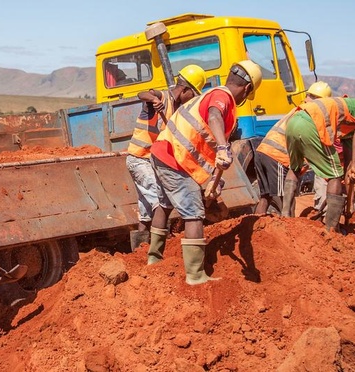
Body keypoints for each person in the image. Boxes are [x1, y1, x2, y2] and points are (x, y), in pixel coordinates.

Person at [147, 60, 263, 285]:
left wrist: (213, 181)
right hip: (175, 159)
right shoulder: (223, 97)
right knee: (194, 213)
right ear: (247, 89)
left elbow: (201, 144)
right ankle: (196, 275)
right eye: (246, 96)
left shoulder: (207, 95)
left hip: (163, 152)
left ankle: (154, 259)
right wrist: (222, 146)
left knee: (164, 204)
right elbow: (214, 116)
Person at [281, 93, 355, 232]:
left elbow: (349, 162)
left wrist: (351, 172)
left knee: (295, 168)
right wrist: (354, 166)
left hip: (294, 122)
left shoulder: (349, 126)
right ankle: (332, 229)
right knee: (334, 175)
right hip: (312, 124)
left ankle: (285, 218)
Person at [127, 65, 207, 250]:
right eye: (193, 94)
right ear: (186, 89)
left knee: (147, 210)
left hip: (154, 161)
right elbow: (142, 94)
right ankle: (163, 248)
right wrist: (154, 99)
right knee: (159, 202)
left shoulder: (180, 110)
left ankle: (140, 251)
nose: (193, 99)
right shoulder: (165, 97)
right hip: (140, 158)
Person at [254, 81, 332, 215]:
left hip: (262, 151)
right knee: (287, 199)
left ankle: (257, 229)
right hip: (277, 156)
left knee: (265, 197)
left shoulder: (299, 109)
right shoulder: (310, 114)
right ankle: (290, 232)